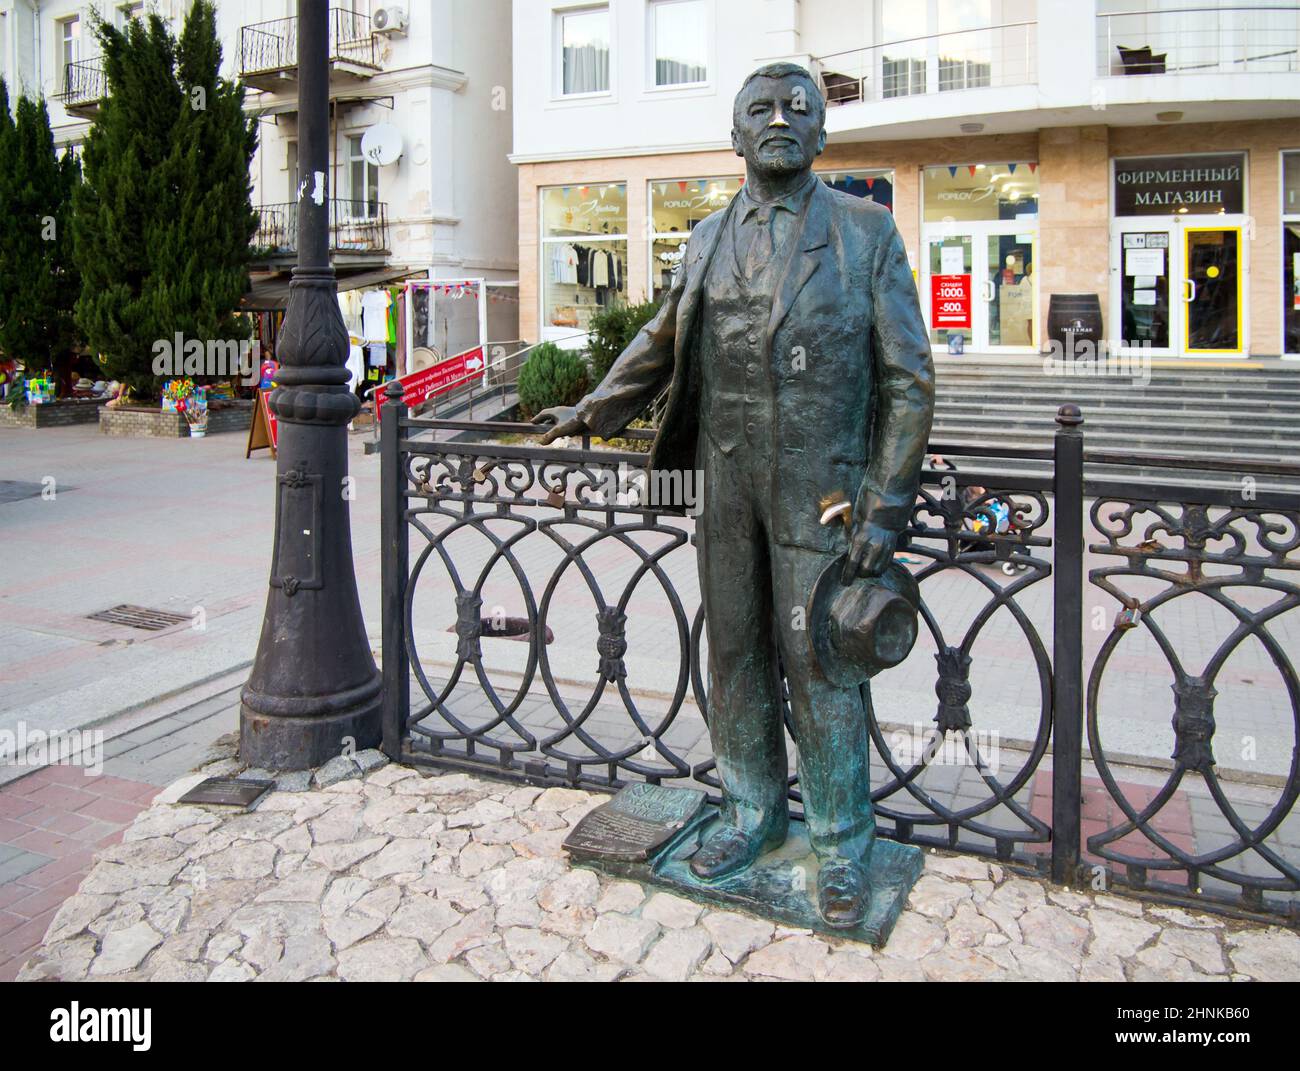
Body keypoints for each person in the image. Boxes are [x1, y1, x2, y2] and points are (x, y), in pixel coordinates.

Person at [534, 63, 934, 927]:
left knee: (823, 662)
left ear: (823, 135)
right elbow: (661, 335)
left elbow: (908, 380)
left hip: (821, 498)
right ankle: (751, 813)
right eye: (762, 108)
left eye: (800, 108)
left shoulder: (866, 233)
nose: (782, 119)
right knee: (738, 656)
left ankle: (841, 843)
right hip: (723, 483)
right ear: (737, 135)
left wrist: (885, 504)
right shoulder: (708, 235)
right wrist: (596, 408)